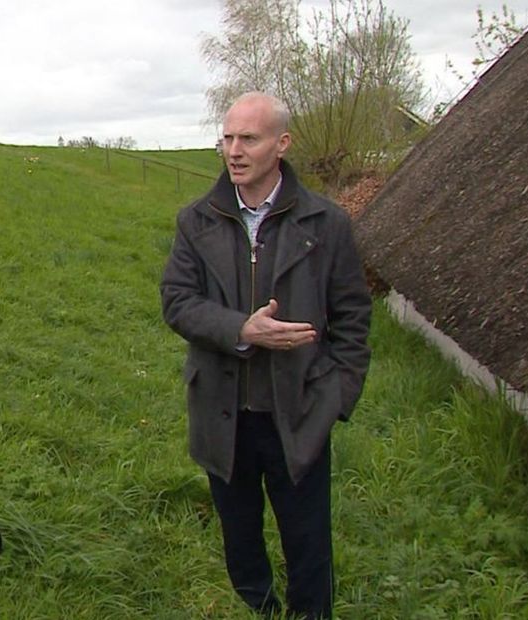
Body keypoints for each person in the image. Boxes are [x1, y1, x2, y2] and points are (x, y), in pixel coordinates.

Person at [160, 91, 371, 619]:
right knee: (241, 538)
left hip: (299, 411)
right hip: (222, 413)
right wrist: (242, 329)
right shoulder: (196, 221)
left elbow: (353, 320)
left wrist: (335, 399)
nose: (234, 150)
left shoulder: (328, 224)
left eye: (248, 138)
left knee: (308, 541)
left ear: (282, 144)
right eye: (227, 138)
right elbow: (178, 303)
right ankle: (261, 609)